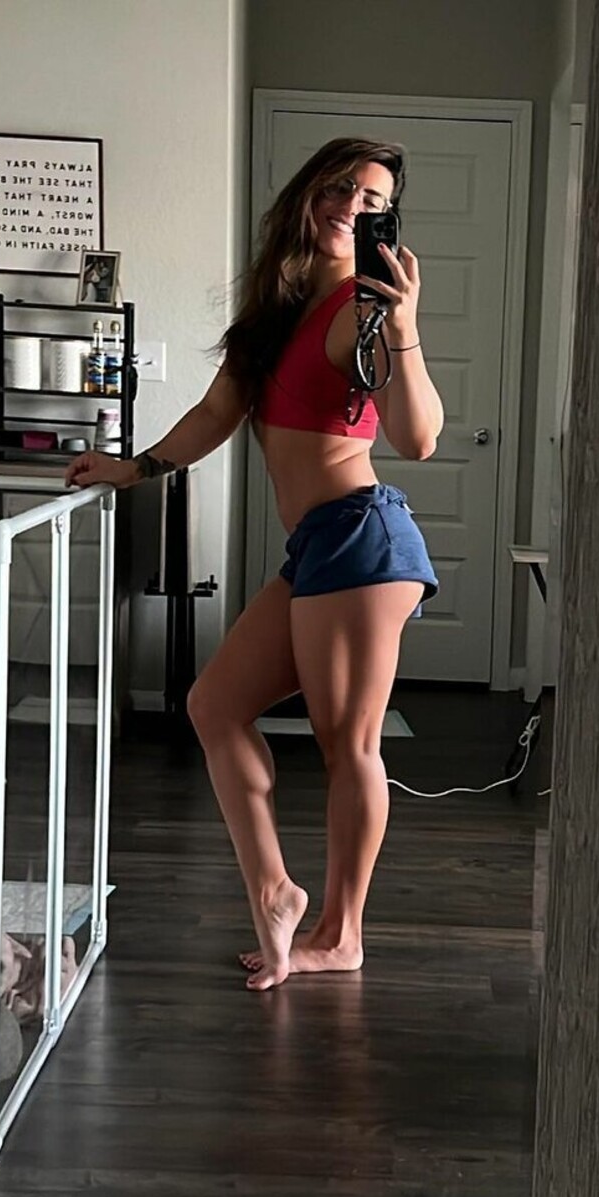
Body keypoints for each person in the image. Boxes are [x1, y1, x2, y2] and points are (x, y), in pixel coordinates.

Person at [65, 139, 442, 991]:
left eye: (373, 200)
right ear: (310, 190)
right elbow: (215, 413)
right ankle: (275, 890)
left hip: (362, 537)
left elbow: (418, 437)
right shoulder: (275, 310)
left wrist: (405, 327)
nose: (351, 205)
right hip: (318, 546)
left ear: (387, 220)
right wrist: (133, 468)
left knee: (349, 744)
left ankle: (341, 933)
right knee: (214, 704)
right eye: (341, 185)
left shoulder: (362, 309)